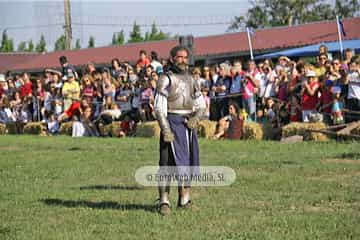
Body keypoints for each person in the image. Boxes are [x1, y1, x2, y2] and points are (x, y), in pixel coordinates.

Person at [154, 45, 206, 216]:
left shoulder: (192, 80)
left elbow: (201, 106)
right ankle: (164, 201)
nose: (183, 60)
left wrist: (196, 118)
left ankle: (184, 200)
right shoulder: (165, 79)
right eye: (179, 57)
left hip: (187, 126)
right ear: (172, 59)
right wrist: (166, 129)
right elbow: (159, 108)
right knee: (167, 164)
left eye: (185, 57)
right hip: (171, 123)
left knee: (188, 163)